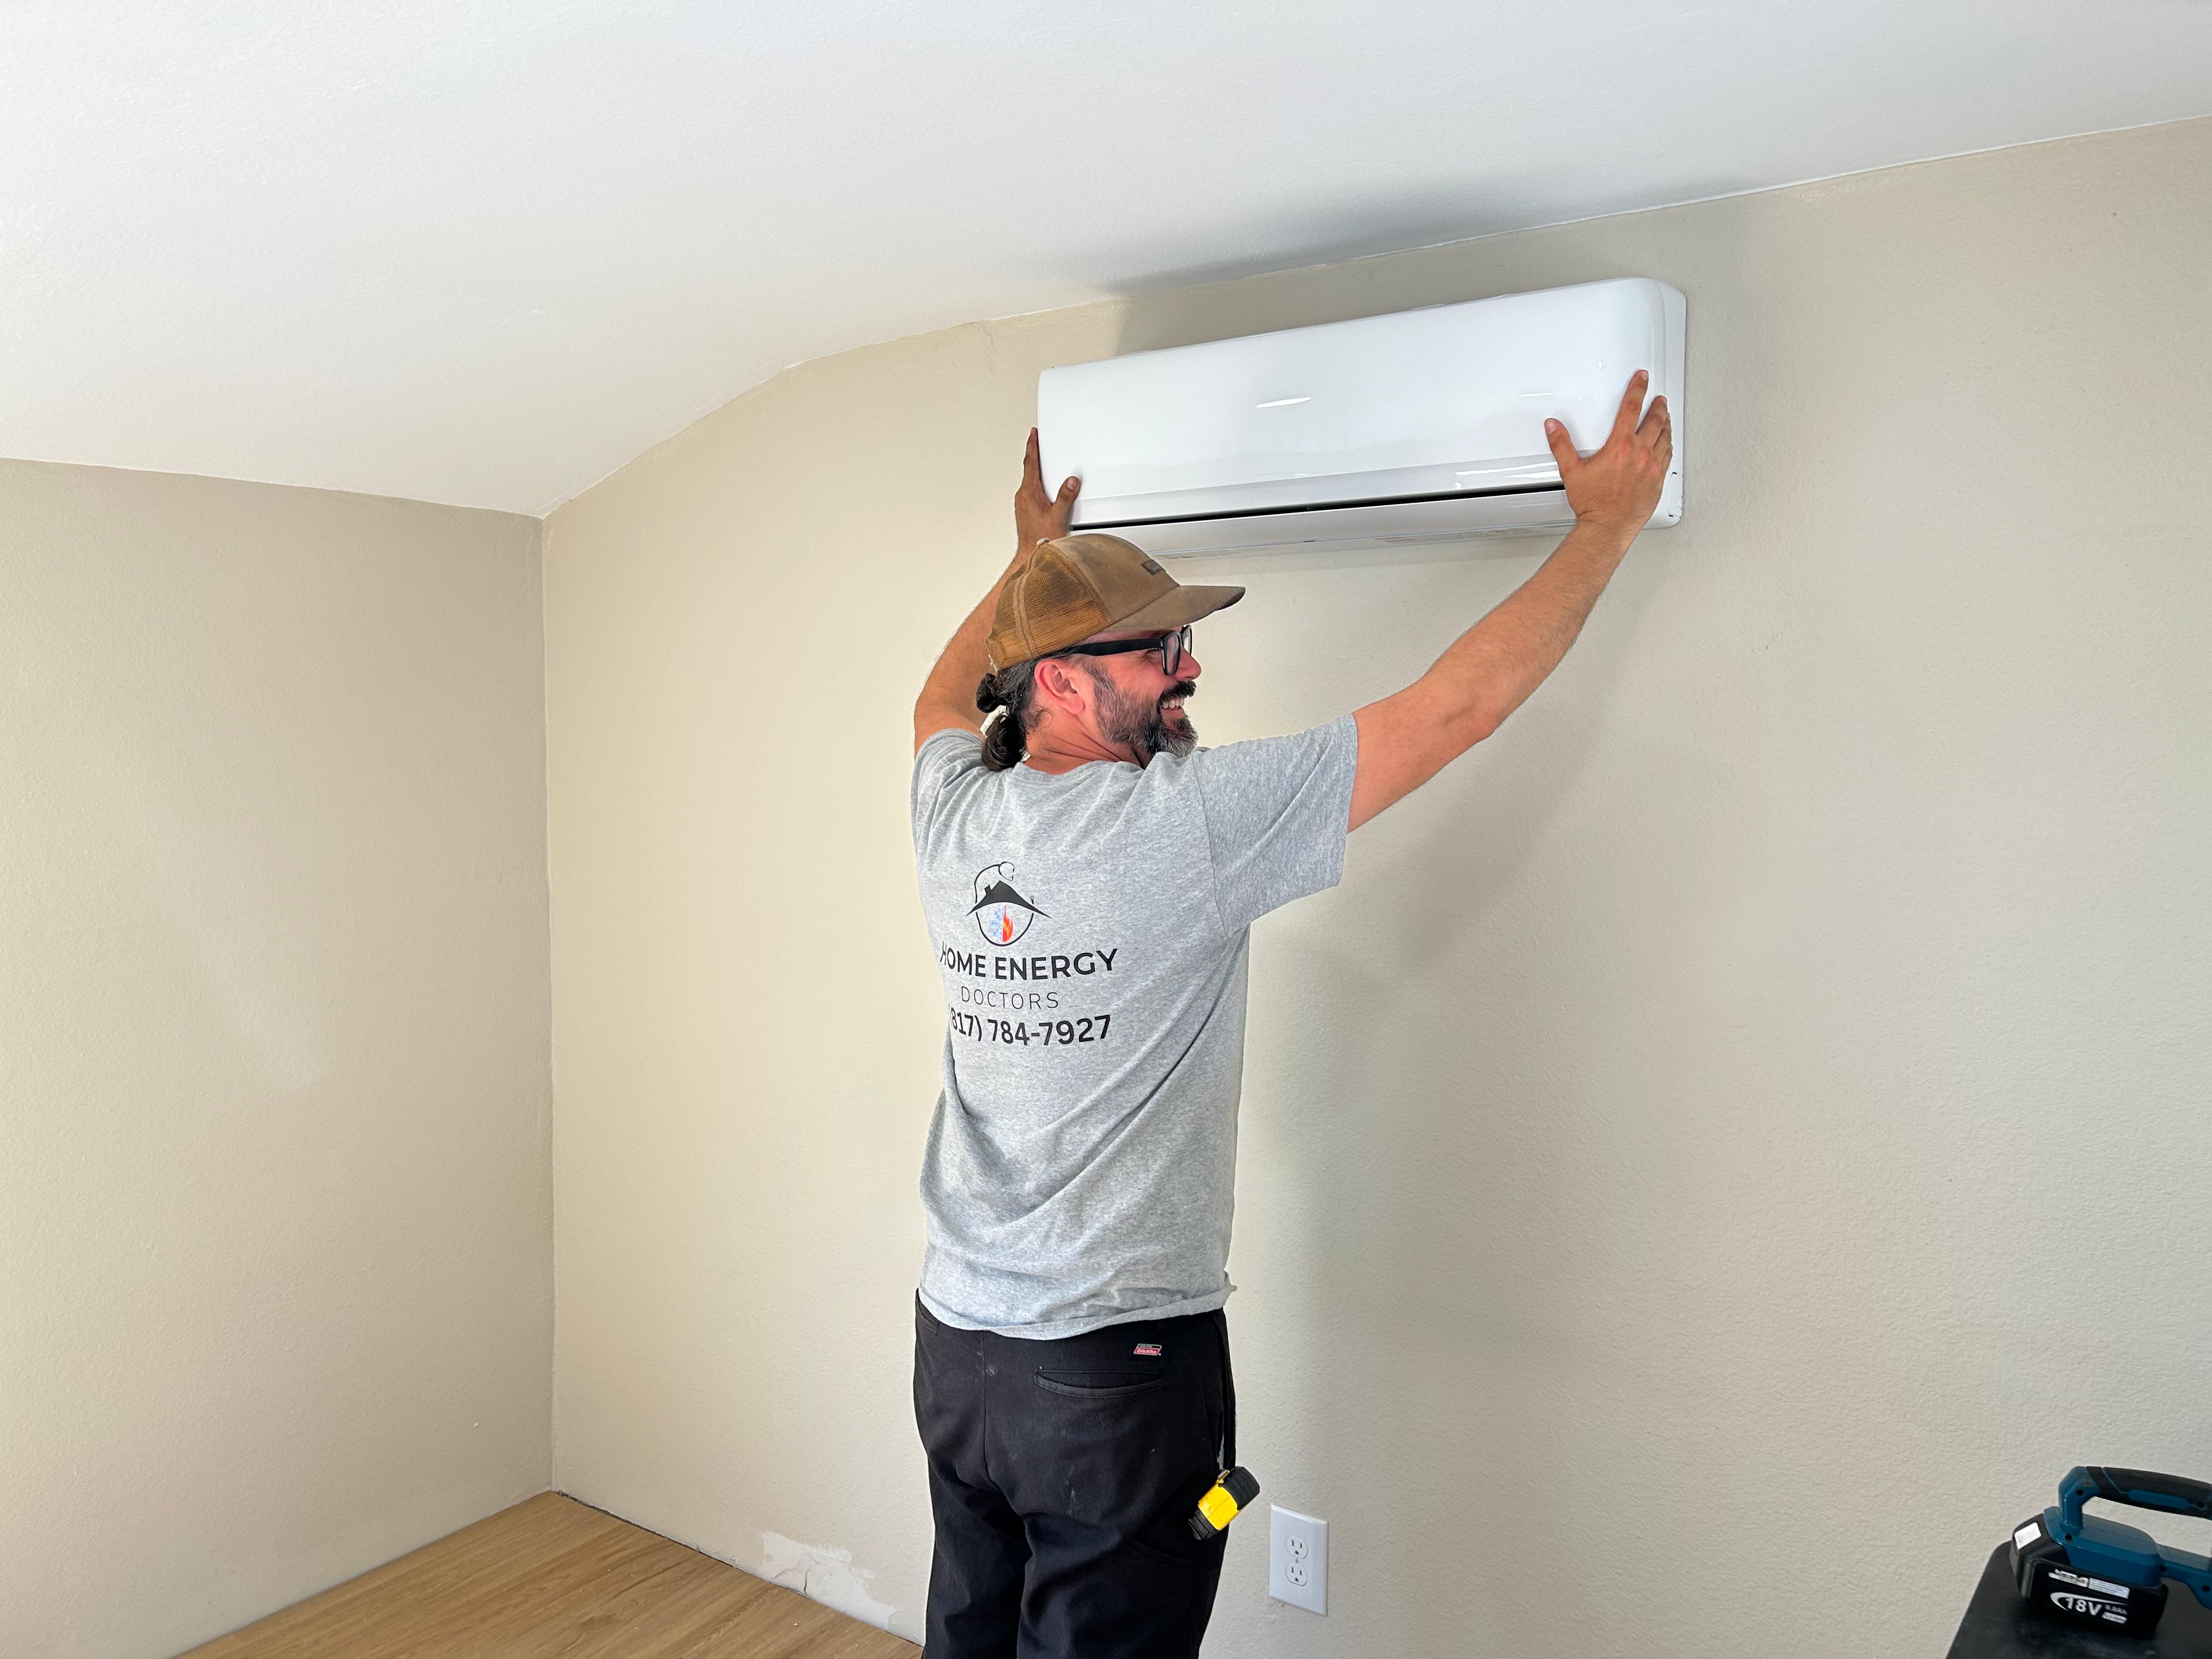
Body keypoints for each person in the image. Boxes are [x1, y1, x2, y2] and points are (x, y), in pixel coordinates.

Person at [908, 374, 1673, 1657]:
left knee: (969, 1637)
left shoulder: (949, 813)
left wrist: (1032, 564)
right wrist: (1604, 528)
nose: (1190, 666)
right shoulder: (1182, 826)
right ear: (1062, 684)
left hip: (960, 1352)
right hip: (1109, 1374)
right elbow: (1457, 709)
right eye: (1156, 650)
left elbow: (938, 697)